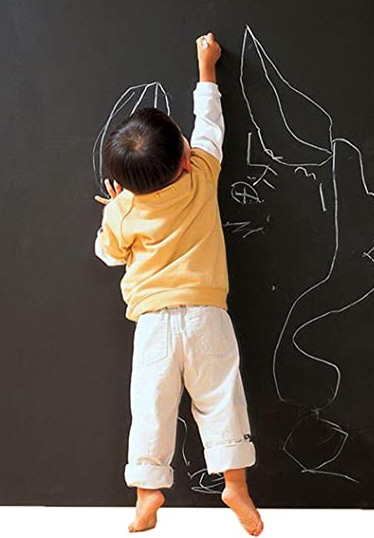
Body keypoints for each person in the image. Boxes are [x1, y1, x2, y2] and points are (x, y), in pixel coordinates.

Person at [93, 32, 264, 536]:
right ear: (185, 159)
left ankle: (148, 494)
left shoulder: (125, 208)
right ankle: (236, 484)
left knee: (151, 404)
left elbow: (107, 255)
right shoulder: (203, 174)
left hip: (153, 323)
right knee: (221, 397)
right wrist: (205, 68)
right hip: (208, 315)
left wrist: (115, 209)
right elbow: (211, 124)